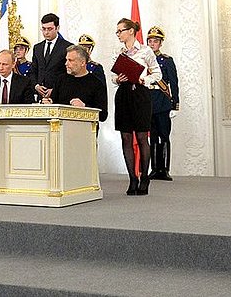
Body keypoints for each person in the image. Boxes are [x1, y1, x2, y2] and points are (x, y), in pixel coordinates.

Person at [111, 18, 162, 196]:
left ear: (131, 31)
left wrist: (144, 79)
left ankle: (144, 177)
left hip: (140, 94)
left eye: (120, 31)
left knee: (141, 136)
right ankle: (132, 178)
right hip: (124, 94)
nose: (118, 34)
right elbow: (113, 75)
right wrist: (117, 79)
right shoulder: (119, 51)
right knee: (126, 137)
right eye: (117, 31)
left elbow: (157, 73)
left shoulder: (146, 50)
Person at [44, 45, 108, 124]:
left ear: (82, 63)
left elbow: (103, 115)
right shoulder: (61, 79)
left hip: (85, 127)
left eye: (70, 60)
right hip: (60, 126)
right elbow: (54, 103)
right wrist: (48, 103)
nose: (66, 64)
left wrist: (84, 107)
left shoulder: (96, 83)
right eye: (66, 60)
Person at [147, 25, 179, 181]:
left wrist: (175, 103)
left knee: (164, 135)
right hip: (149, 101)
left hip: (163, 100)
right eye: (150, 41)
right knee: (153, 136)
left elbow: (174, 82)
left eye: (155, 41)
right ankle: (154, 169)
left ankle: (165, 169)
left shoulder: (166, 60)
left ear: (160, 43)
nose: (152, 44)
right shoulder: (144, 61)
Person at [28, 13, 71, 100]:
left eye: (49, 29)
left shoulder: (67, 47)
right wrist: (36, 86)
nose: (46, 32)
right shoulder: (37, 48)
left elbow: (69, 74)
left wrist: (55, 89)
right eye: (43, 29)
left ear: (57, 28)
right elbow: (33, 71)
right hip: (40, 96)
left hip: (60, 96)